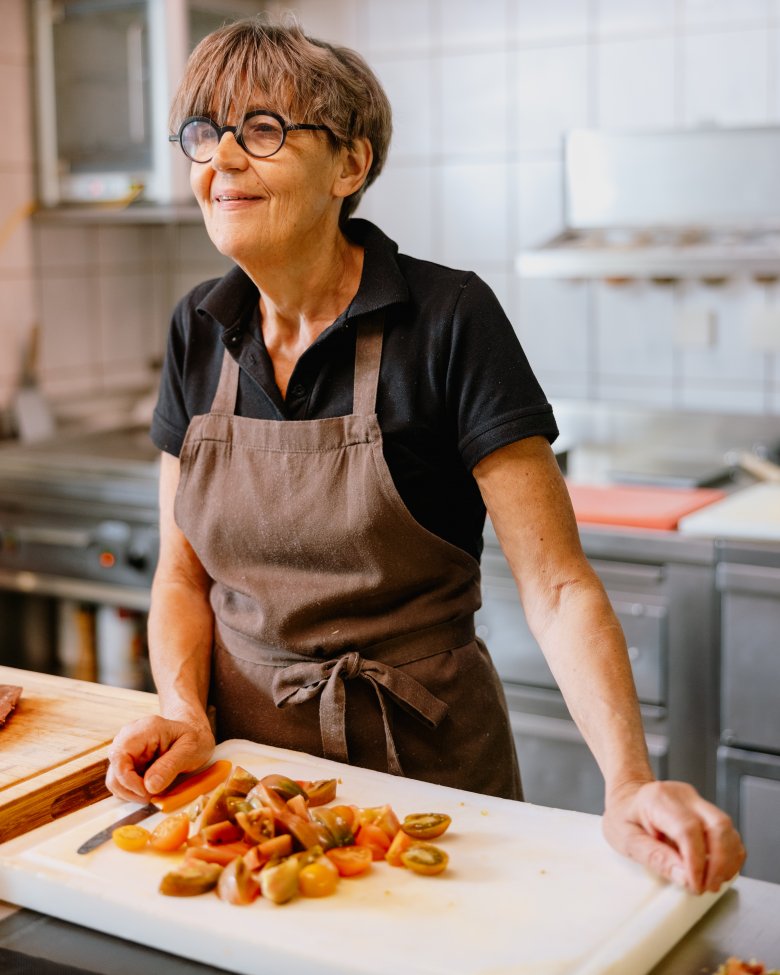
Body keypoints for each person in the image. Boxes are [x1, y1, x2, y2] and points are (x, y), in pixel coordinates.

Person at [106, 17, 745, 895]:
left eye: (262, 131)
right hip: (245, 785)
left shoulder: (449, 320)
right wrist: (182, 708)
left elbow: (556, 585)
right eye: (204, 135)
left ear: (350, 165)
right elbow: (181, 579)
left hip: (431, 786)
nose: (222, 160)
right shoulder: (196, 328)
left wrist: (627, 778)